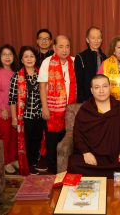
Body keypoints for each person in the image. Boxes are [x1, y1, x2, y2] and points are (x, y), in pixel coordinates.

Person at [67, 74, 120, 178]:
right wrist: (85, 153)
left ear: (110, 88)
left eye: (104, 86)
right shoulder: (85, 110)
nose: (101, 91)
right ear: (91, 90)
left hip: (117, 158)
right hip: (93, 158)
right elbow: (77, 134)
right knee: (74, 164)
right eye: (97, 87)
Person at [38, 35, 76, 174]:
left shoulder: (74, 61)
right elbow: (42, 87)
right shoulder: (47, 63)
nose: (65, 50)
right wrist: (45, 108)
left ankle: (67, 171)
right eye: (61, 46)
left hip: (70, 111)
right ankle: (53, 172)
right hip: (53, 111)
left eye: (67, 46)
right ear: (54, 47)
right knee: (52, 143)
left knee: (68, 142)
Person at [9, 46, 44, 175]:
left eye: (32, 56)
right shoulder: (17, 76)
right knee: (28, 142)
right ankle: (29, 166)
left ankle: (34, 163)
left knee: (37, 140)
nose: (29, 59)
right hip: (25, 116)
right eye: (26, 56)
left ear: (35, 58)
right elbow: (12, 99)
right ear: (22, 60)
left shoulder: (41, 73)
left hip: (39, 114)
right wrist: (13, 118)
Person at [0, 44, 19, 174]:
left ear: (14, 57)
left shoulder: (15, 73)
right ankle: (5, 161)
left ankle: (13, 159)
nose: (7, 57)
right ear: (0, 57)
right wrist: (3, 108)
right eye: (4, 54)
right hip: (0, 112)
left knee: (14, 136)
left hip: (13, 112)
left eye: (10, 54)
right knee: (5, 137)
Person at [75, 26, 107, 103]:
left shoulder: (105, 57)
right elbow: (79, 83)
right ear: (87, 40)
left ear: (101, 40)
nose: (96, 40)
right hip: (87, 99)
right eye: (93, 38)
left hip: (103, 97)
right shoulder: (80, 57)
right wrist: (82, 101)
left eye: (99, 38)